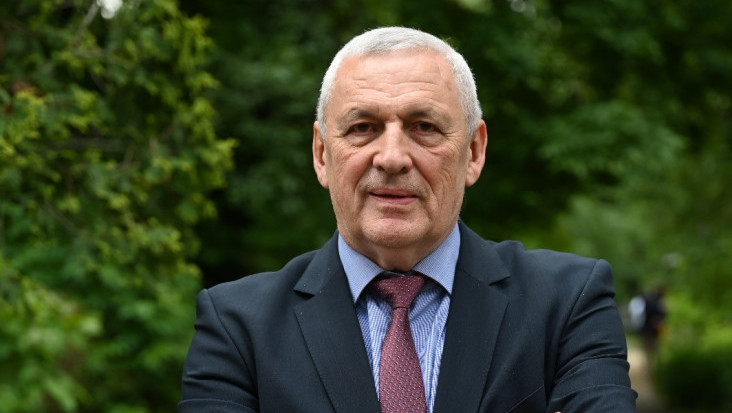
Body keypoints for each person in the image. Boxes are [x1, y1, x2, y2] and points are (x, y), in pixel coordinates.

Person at [179, 27, 636, 413]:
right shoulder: (236, 327)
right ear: (321, 154)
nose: (392, 157)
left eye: (424, 127)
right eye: (363, 128)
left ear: (474, 152)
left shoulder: (568, 303)